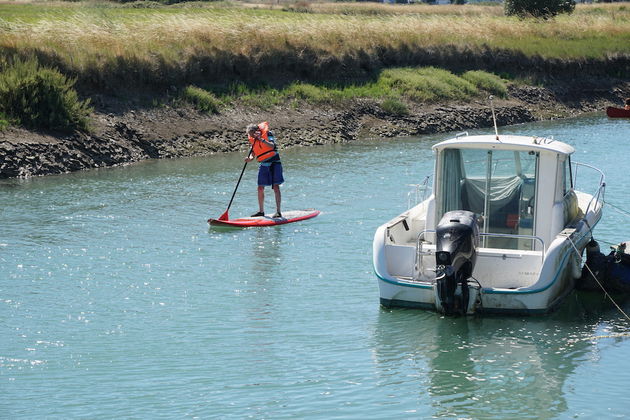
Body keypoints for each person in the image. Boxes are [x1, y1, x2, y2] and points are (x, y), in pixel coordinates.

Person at [245, 122, 284, 218]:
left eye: (251, 134)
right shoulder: (252, 139)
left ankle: (278, 211)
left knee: (276, 187)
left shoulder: (267, 134)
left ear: (256, 132)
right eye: (249, 135)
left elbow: (272, 146)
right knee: (260, 187)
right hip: (263, 163)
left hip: (274, 162)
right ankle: (261, 211)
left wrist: (261, 139)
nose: (250, 136)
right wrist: (249, 158)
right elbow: (253, 152)